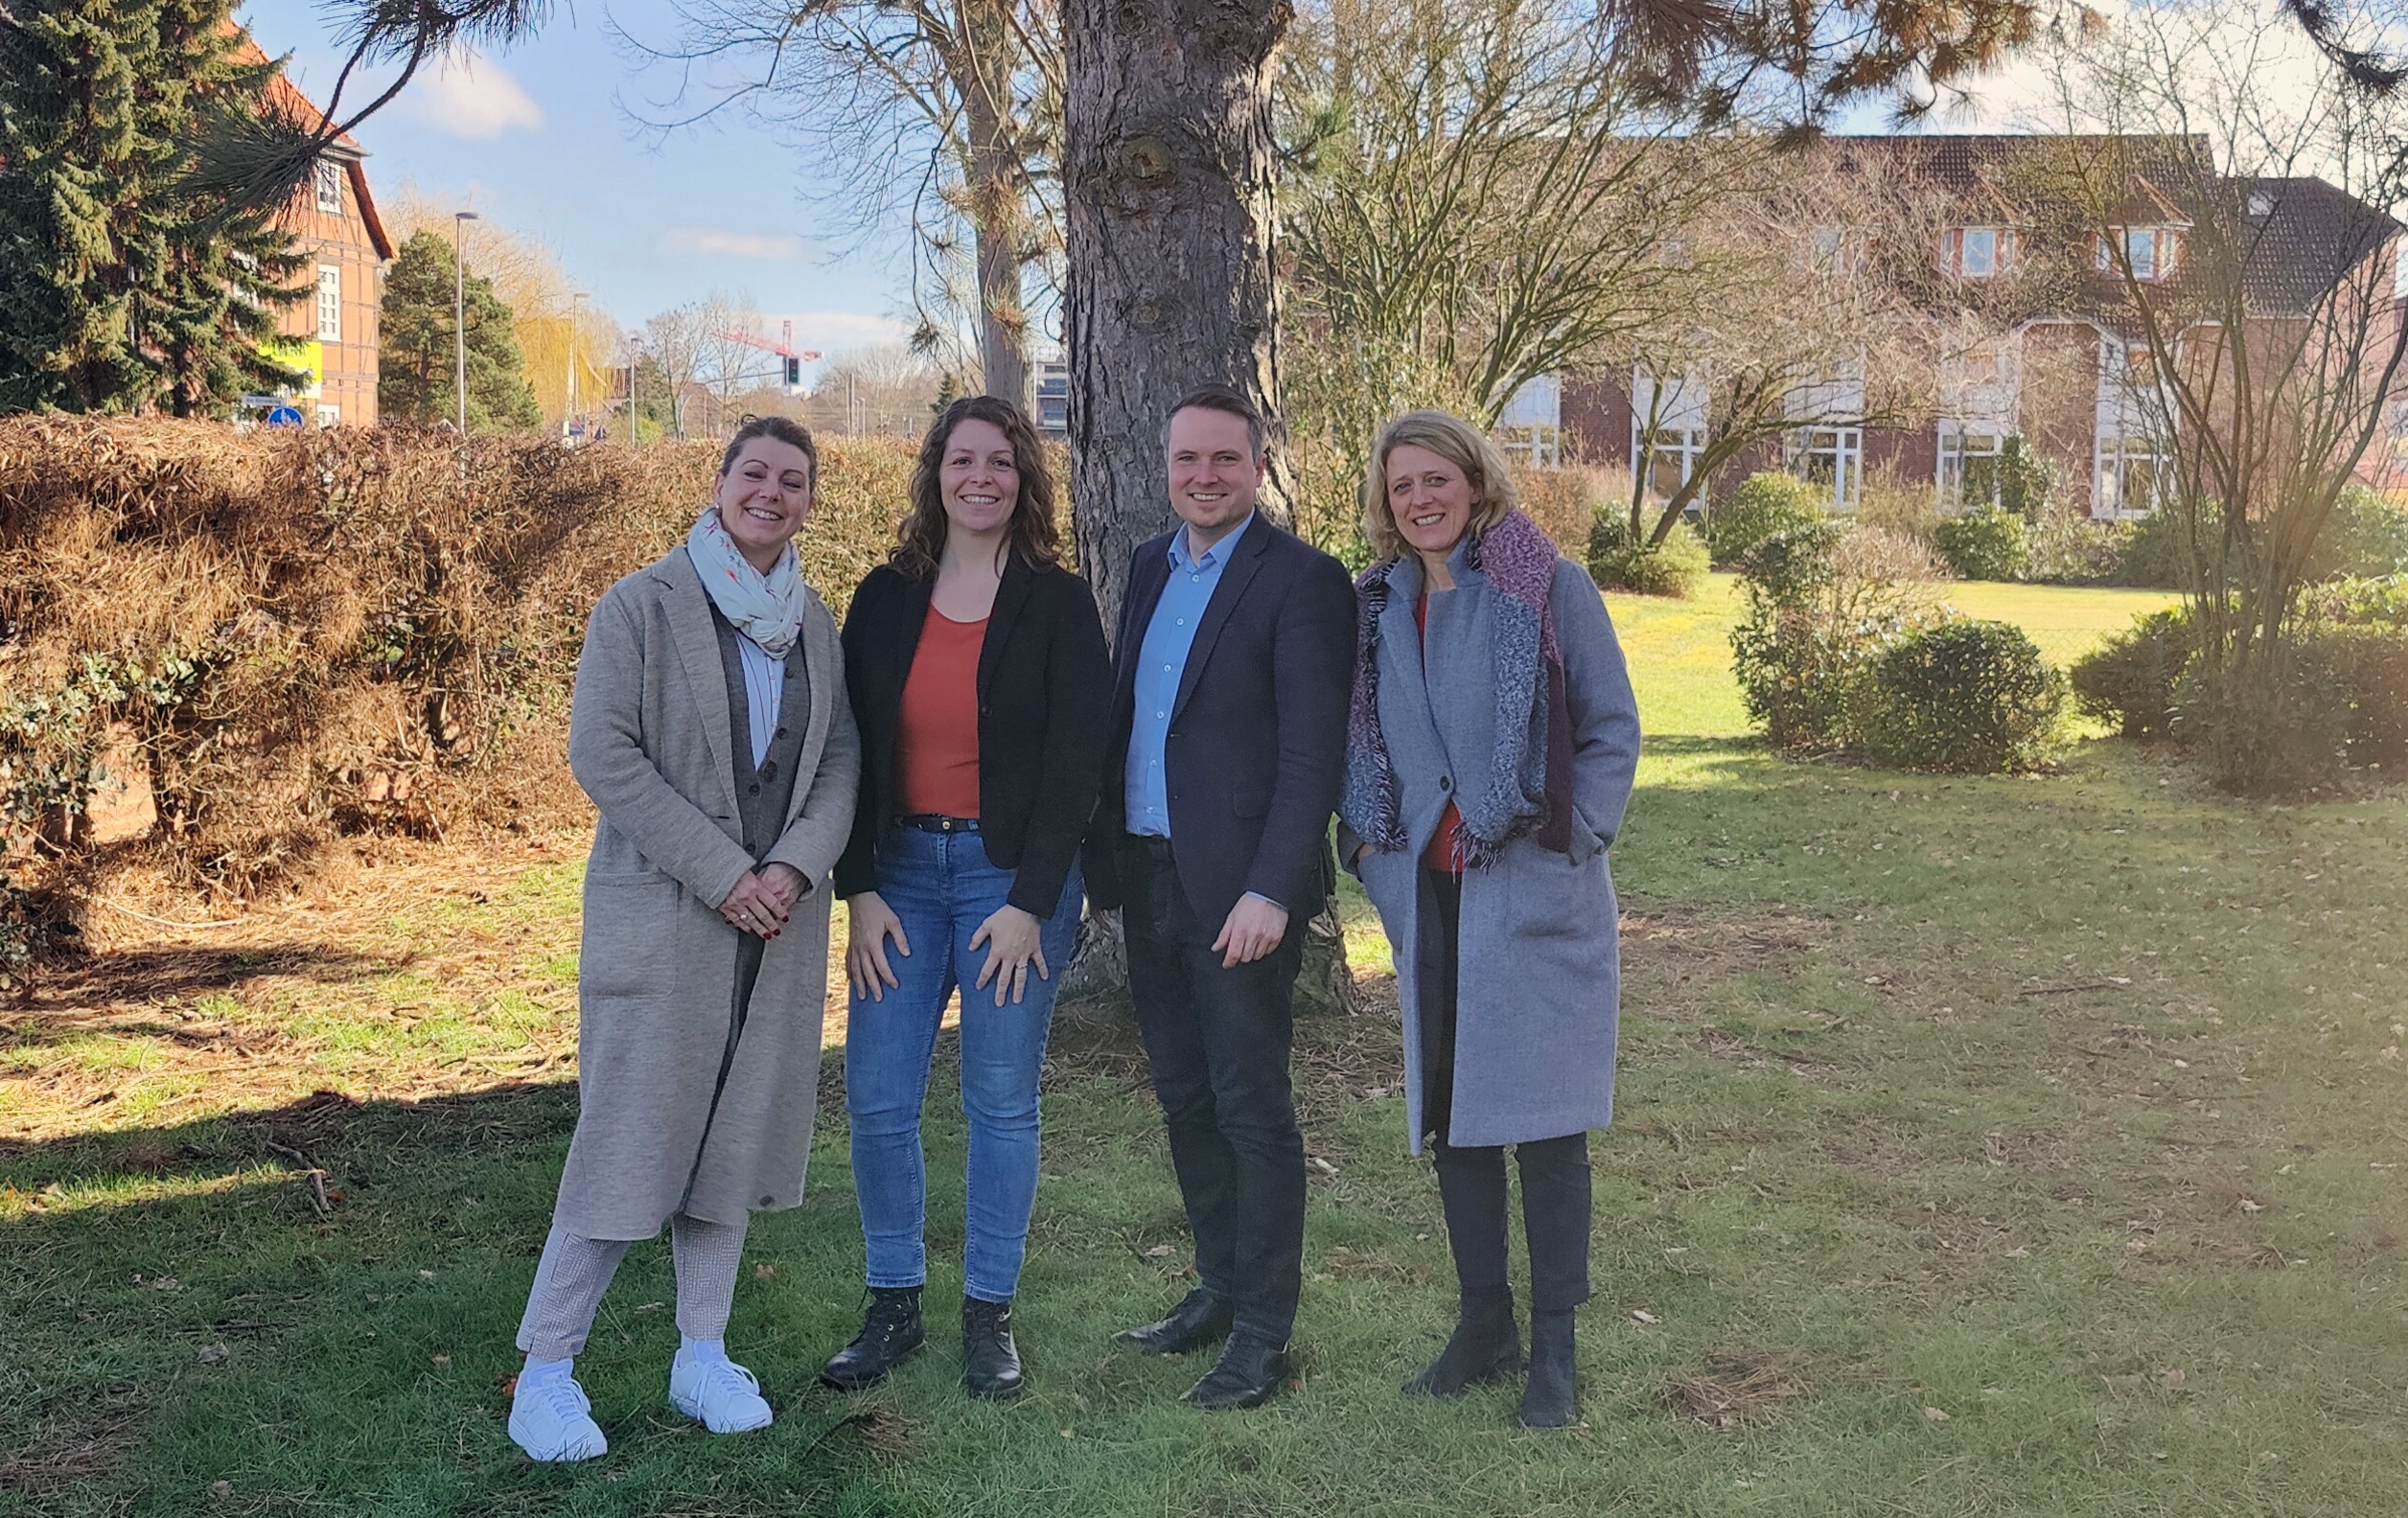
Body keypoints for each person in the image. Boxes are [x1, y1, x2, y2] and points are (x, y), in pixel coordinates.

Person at [505, 415, 861, 1462]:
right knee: (629, 1142)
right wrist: (726, 875)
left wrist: (791, 869)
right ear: (718, 485)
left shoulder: (818, 626)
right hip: (666, 918)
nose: (771, 493)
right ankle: (547, 1371)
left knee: (732, 1140)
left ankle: (700, 1355)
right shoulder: (641, 606)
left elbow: (840, 765)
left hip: (778, 928)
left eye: (792, 481)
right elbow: (601, 755)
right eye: (754, 473)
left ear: (807, 501)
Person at [1336, 410, 1639, 1430]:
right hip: (1430, 899)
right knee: (1456, 1123)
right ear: (1383, 501)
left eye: (1437, 480)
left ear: (1474, 481)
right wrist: (1382, 862)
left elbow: (1609, 729)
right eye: (1401, 486)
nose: (1419, 500)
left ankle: (1553, 1350)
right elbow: (1365, 749)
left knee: (1547, 1131)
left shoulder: (1545, 587)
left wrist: (1573, 834)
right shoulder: (1375, 605)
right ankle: (1483, 1325)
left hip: (1532, 893)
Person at [821, 396, 1113, 1400]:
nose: (979, 478)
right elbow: (845, 749)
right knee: (878, 1099)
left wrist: (1032, 900)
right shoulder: (884, 596)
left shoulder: (1057, 601)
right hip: (897, 878)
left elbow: (1080, 761)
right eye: (961, 460)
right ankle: (892, 1303)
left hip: (1011, 886)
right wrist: (855, 887)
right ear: (935, 472)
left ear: (1024, 477)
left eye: (999, 461)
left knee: (999, 1100)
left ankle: (988, 1314)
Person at [1085, 384, 1355, 1410]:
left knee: (1251, 1109)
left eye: (1223, 461)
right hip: (1149, 877)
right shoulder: (1150, 564)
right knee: (1185, 1097)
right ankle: (1215, 1287)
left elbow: (1310, 754)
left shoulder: (1301, 581)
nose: (1203, 476)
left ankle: (1263, 1334)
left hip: (1240, 896)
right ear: (1166, 465)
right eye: (1186, 459)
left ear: (1256, 465)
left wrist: (1273, 890)